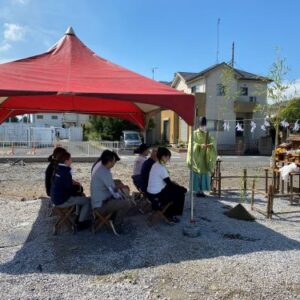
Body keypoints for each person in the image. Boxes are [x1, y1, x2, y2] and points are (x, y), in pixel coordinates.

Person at [90, 150, 131, 229]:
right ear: (109, 162)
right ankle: (117, 225)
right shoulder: (104, 172)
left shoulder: (102, 168)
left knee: (120, 191)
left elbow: (111, 186)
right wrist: (122, 196)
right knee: (126, 203)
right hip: (100, 205)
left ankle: (113, 218)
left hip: (98, 202)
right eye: (114, 161)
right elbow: (114, 192)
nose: (114, 163)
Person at [50, 151, 91, 229]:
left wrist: (74, 184)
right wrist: (79, 191)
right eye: (70, 159)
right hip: (61, 200)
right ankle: (80, 223)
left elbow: (63, 182)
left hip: (55, 197)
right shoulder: (66, 172)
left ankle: (77, 216)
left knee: (79, 195)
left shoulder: (57, 168)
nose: (71, 161)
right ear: (66, 162)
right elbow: (69, 188)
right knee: (86, 201)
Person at [147, 147, 186, 223]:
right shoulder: (161, 168)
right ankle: (171, 215)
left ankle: (169, 212)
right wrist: (181, 188)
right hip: (156, 195)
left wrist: (177, 186)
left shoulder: (155, 165)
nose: (169, 159)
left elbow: (167, 182)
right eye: (168, 157)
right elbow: (169, 183)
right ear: (163, 156)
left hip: (150, 192)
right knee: (180, 193)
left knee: (177, 189)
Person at [187, 116, 217, 197]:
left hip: (205, 157)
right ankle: (196, 191)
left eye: (204, 126)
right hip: (197, 158)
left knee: (204, 174)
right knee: (196, 174)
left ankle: (202, 191)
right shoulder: (194, 133)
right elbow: (191, 144)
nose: (203, 127)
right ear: (199, 125)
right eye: (202, 126)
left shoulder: (208, 134)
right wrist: (199, 146)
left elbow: (213, 142)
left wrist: (210, 145)